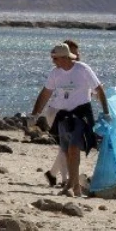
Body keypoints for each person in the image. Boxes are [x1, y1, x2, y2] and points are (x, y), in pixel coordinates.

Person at [30, 42, 109, 197]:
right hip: (63, 115)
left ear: (65, 57)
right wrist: (35, 114)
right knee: (66, 152)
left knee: (74, 149)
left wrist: (106, 113)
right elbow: (45, 93)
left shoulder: (83, 69)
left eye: (56, 58)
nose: (53, 62)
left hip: (81, 114)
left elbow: (99, 90)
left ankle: (69, 186)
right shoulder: (55, 73)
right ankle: (75, 187)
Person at [38, 38, 79, 187]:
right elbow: (47, 92)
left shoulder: (78, 69)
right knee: (66, 146)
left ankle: (52, 174)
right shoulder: (60, 71)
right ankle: (64, 180)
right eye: (74, 52)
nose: (77, 55)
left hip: (67, 112)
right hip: (56, 111)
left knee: (66, 146)